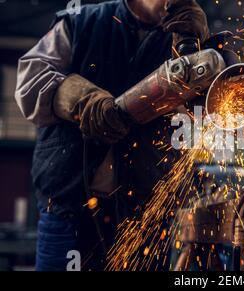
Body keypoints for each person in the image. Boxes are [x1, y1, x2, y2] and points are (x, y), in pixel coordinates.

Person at [14, 0, 209, 271]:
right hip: (71, 211)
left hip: (145, 216)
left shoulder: (189, 38)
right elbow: (30, 82)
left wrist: (203, 47)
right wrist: (80, 100)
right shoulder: (82, 21)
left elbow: (218, 106)